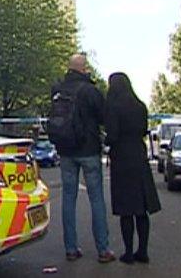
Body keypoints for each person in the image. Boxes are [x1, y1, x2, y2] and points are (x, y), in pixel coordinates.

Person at [52, 54, 115, 263]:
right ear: (84, 68)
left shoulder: (57, 90)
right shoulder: (90, 90)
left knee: (68, 199)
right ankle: (103, 250)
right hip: (88, 150)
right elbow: (104, 117)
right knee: (96, 198)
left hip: (65, 151)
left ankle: (70, 248)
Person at [104, 72, 161, 264]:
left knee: (126, 209)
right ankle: (143, 251)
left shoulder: (113, 107)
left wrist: (105, 139)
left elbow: (112, 135)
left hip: (121, 158)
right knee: (141, 208)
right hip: (139, 155)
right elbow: (144, 129)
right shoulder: (140, 106)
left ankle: (128, 252)